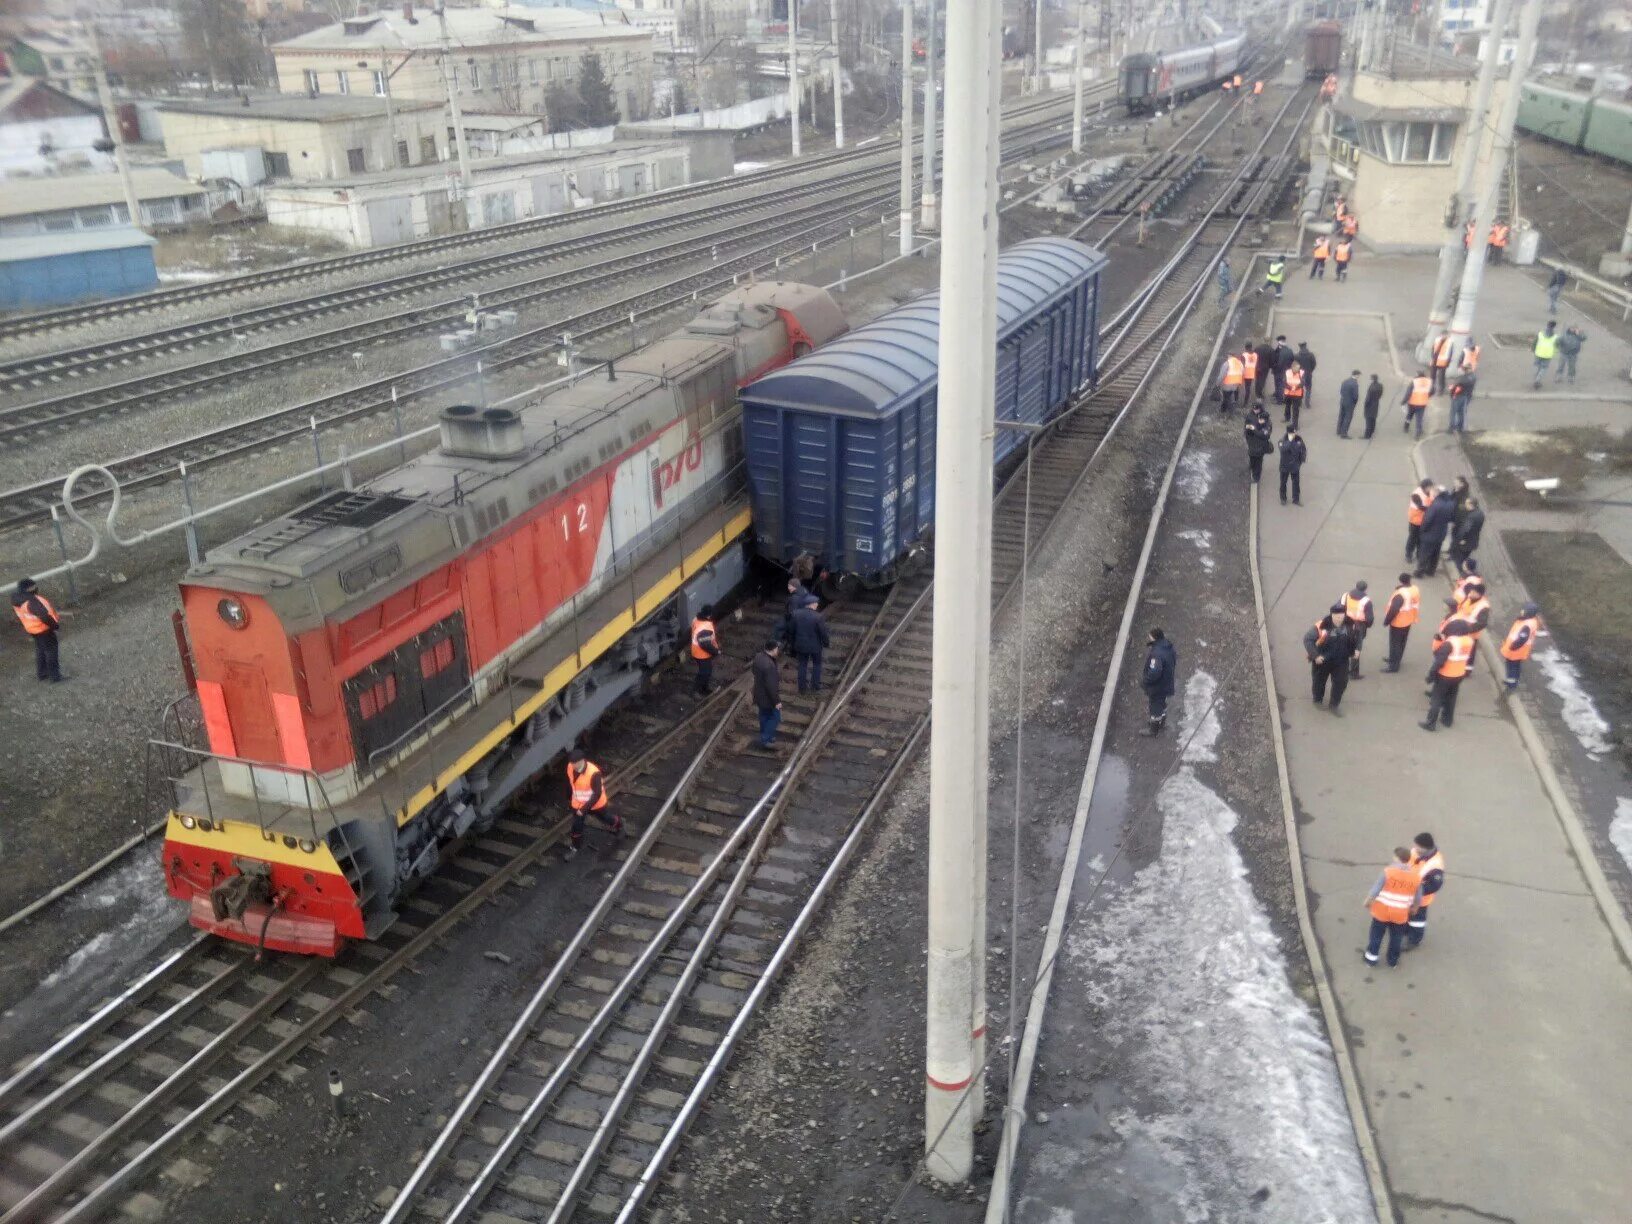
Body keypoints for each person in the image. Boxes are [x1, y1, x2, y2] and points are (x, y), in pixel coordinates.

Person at [1364, 846, 1423, 968]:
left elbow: (1376, 889)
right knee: (1396, 938)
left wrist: (1368, 902)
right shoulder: (1416, 877)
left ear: (1397, 858)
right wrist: (1415, 908)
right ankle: (1392, 961)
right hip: (1400, 914)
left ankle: (1371, 959)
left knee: (1376, 935)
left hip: (1382, 911)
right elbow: (1418, 897)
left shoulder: (1388, 872)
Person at [565, 748, 623, 856]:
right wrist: (569, 798)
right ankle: (575, 846)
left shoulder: (594, 773)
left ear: (582, 761)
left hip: (596, 805)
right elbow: (571, 783)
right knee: (576, 826)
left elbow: (597, 794)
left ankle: (619, 827)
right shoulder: (570, 767)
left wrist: (583, 810)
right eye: (571, 763)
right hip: (578, 803)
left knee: (606, 818)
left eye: (574, 764)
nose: (572, 766)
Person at [11, 577, 64, 683]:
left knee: (40, 650)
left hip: (32, 629)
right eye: (34, 587)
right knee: (51, 652)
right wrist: (55, 625)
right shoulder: (33, 601)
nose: (36, 588)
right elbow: (44, 616)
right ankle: (55, 676)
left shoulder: (17, 599)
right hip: (44, 629)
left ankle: (42, 673)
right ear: (30, 589)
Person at [1421, 627, 1475, 730]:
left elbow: (1439, 660)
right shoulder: (1469, 641)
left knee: (1436, 699)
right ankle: (1447, 720)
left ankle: (1430, 723)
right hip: (1459, 674)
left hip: (1445, 675)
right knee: (1451, 698)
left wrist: (1430, 676)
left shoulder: (1449, 643)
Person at [1303, 604, 1355, 711]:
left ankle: (1334, 705)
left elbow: (1357, 636)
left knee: (1341, 682)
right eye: (1336, 616)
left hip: (1341, 660)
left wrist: (1357, 649)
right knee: (1319, 681)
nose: (1339, 618)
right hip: (1323, 661)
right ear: (1332, 615)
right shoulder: (1321, 626)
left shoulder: (1350, 624)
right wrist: (1315, 656)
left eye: (1341, 616)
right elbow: (1308, 640)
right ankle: (1318, 700)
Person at [1406, 833, 1446, 950]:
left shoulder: (1435, 864)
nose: (1414, 848)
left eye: (1417, 846)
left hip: (1421, 899)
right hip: (1408, 893)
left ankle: (1414, 940)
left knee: (1417, 920)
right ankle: (1406, 931)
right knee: (1408, 915)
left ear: (1425, 848)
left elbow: (1434, 886)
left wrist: (1416, 891)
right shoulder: (1415, 851)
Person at [1499, 602, 1544, 692]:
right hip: (1519, 650)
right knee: (1515, 665)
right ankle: (1514, 681)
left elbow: (1521, 639)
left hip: (1516, 650)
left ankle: (1511, 684)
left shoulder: (1527, 624)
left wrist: (1512, 647)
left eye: (1524, 610)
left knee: (1511, 666)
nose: (1522, 611)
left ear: (1529, 613)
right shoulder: (1530, 621)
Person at [1380, 573, 1420, 673]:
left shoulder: (1400, 595)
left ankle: (1393, 666)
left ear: (1401, 581)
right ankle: (1396, 659)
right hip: (1408, 620)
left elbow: (1394, 609)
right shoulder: (1414, 589)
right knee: (1402, 642)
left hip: (1398, 622)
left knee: (1395, 644)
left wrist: (1386, 621)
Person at [1141, 628, 1177, 735]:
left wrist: (1146, 681)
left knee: (1155, 705)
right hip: (1167, 681)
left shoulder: (1156, 654)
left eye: (1150, 637)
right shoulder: (1168, 647)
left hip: (1158, 686)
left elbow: (1154, 672)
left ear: (1154, 638)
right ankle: (1161, 721)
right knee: (1161, 703)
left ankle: (1154, 730)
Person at [790, 596, 829, 694]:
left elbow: (791, 630)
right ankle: (815, 685)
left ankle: (802, 688)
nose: (817, 605)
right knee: (817, 664)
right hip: (815, 646)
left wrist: (793, 643)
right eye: (816, 603)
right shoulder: (818, 616)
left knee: (802, 665)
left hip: (801, 645)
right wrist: (826, 643)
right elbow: (823, 632)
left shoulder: (795, 614)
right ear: (811, 604)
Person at [1416, 486, 1456, 578]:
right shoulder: (1451, 503)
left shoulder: (1435, 505)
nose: (1432, 494)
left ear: (1438, 493)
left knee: (1424, 553)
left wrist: (1423, 530)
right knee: (1436, 553)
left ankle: (1419, 572)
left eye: (1434, 492)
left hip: (1430, 533)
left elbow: (1427, 520)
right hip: (1441, 533)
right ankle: (1431, 571)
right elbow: (1452, 518)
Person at [752, 639, 783, 748]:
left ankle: (767, 737)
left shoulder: (759, 657)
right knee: (775, 717)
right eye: (777, 648)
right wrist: (777, 701)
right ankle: (765, 739)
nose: (778, 650)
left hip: (759, 694)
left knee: (764, 716)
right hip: (767, 697)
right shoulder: (769, 665)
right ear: (774, 649)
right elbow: (771, 686)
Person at [1341, 580, 1375, 678]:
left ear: (1356, 586)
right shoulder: (1366, 601)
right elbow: (1370, 618)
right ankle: (1354, 673)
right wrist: (1367, 625)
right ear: (1365, 588)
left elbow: (1340, 607)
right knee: (1356, 648)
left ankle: (1342, 669)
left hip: (1346, 623)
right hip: (1359, 626)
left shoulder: (1346, 595)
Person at [690, 604, 721, 695]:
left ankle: (704, 689)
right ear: (709, 614)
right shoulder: (706, 626)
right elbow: (705, 644)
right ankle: (696, 691)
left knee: (706, 671)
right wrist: (716, 651)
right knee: (705, 673)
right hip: (702, 654)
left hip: (696, 651)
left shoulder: (696, 619)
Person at [1449, 497, 1485, 574]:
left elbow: (1464, 530)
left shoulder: (1471, 517)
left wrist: (1458, 540)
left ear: (1471, 505)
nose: (1465, 505)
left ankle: (1463, 575)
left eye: (1466, 504)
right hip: (1473, 542)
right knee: (1465, 558)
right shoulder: (1480, 513)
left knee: (1459, 561)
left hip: (1465, 543)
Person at [1404, 479, 1435, 566]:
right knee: (1412, 538)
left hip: (1424, 520)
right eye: (1430, 487)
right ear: (1425, 487)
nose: (1431, 489)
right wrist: (1433, 509)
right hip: (1415, 520)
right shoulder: (1416, 494)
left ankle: (1419, 554)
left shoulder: (1429, 492)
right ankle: (1408, 554)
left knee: (1421, 539)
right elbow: (1421, 506)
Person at [1243, 402, 1273, 484]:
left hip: (1261, 445)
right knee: (1252, 458)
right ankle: (1252, 467)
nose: (1255, 411)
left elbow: (1265, 434)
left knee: (1258, 462)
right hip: (1252, 442)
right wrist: (1247, 435)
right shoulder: (1250, 416)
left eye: (1257, 409)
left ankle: (1256, 477)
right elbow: (1246, 427)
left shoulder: (1265, 419)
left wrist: (1254, 429)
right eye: (1254, 409)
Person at [1278, 426, 1307, 505]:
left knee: (1296, 483)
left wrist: (1302, 459)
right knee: (1283, 483)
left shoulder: (1298, 439)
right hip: (1285, 466)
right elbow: (1283, 449)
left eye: (1294, 432)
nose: (1294, 434)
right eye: (1292, 433)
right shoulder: (1282, 440)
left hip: (1295, 465)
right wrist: (1290, 441)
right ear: (1288, 433)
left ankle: (1296, 499)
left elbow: (1303, 449)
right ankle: (1283, 498)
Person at [1401, 369, 1431, 437]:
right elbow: (1432, 390)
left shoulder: (1414, 382)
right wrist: (1427, 396)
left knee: (1409, 415)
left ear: (1417, 374)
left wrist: (1403, 402)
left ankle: (1406, 427)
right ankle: (1418, 431)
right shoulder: (1428, 381)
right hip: (1423, 403)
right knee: (1419, 418)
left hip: (1413, 402)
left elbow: (1408, 393)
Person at [1448, 365, 1476, 434]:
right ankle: (1460, 427)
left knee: (1453, 412)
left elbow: (1455, 388)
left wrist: (1452, 391)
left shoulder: (1462, 379)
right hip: (1465, 396)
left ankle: (1452, 428)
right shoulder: (1473, 377)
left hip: (1458, 396)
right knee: (1461, 412)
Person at [1532, 322, 1558, 388]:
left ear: (1547, 326)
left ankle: (1535, 378)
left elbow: (1535, 342)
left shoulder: (1540, 334)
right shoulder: (1555, 337)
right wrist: (1555, 352)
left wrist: (1533, 349)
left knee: (1537, 366)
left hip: (1538, 353)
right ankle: (1537, 380)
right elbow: (1557, 346)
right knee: (1544, 368)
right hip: (1548, 355)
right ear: (1554, 327)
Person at [1337, 370, 1360, 437]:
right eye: (1358, 375)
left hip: (1343, 400)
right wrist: (1355, 402)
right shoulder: (1355, 384)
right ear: (1356, 375)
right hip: (1350, 403)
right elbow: (1355, 396)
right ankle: (1344, 433)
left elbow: (1341, 391)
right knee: (1348, 417)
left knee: (1341, 416)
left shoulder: (1345, 381)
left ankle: (1339, 430)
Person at [1282, 362, 1305, 428]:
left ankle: (1295, 425)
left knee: (1295, 410)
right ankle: (1287, 417)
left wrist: (1295, 387)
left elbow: (1303, 382)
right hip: (1288, 393)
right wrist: (1290, 388)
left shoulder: (1302, 373)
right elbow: (1284, 382)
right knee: (1287, 406)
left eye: (1298, 368)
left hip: (1297, 395)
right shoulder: (1287, 372)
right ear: (1292, 368)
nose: (1298, 369)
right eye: (1296, 368)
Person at [1271, 336, 1294, 401]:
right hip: (1287, 370)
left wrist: (1274, 368)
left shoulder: (1280, 351)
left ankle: (1279, 399)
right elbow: (1292, 360)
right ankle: (1282, 396)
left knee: (1279, 384)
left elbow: (1278, 362)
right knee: (1285, 384)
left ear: (1279, 343)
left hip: (1279, 371)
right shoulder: (1289, 350)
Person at [1362, 373, 1383, 439]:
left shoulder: (1371, 387)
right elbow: (1380, 394)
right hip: (1376, 403)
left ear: (1372, 379)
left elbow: (1368, 397)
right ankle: (1372, 431)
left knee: (1368, 419)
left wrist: (1365, 404)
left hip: (1370, 404)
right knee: (1373, 418)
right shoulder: (1380, 385)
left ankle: (1367, 435)